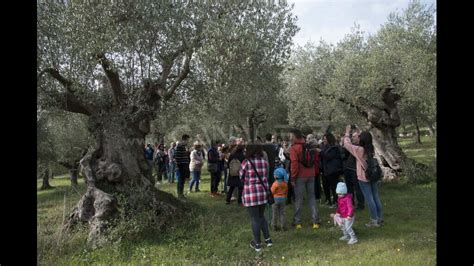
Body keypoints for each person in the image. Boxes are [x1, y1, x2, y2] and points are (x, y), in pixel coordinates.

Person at [342, 125, 384, 227]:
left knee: (369, 199)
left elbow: (346, 144)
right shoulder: (370, 148)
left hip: (364, 177)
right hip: (373, 175)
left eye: (359, 136)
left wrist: (347, 133)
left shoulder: (359, 150)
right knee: (376, 197)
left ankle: (374, 221)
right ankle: (379, 218)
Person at [240, 144, 272, 252]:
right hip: (263, 192)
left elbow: (241, 176)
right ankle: (268, 240)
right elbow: (266, 175)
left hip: (251, 193)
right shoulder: (264, 161)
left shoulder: (246, 162)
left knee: (254, 218)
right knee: (261, 216)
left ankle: (257, 243)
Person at [289, 129, 321, 230]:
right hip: (311, 174)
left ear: (294, 137)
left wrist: (293, 177)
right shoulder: (309, 146)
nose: (289, 138)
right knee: (312, 197)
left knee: (299, 199)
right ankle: (315, 221)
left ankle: (297, 222)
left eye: (291, 136)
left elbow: (294, 164)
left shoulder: (294, 148)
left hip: (300, 176)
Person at [342, 127, 365, 210]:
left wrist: (347, 133)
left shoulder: (360, 147)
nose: (352, 138)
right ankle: (351, 204)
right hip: (348, 169)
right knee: (349, 188)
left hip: (355, 170)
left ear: (359, 137)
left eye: (354, 136)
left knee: (358, 188)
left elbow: (347, 144)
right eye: (352, 136)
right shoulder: (354, 146)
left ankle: (360, 205)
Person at [320, 133, 344, 208]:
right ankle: (329, 200)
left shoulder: (334, 147)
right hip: (326, 170)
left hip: (333, 170)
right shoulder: (324, 147)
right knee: (326, 186)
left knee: (334, 187)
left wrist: (320, 152)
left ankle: (336, 202)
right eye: (323, 138)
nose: (324, 140)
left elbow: (328, 156)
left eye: (325, 138)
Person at [175, 135, 191, 199]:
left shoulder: (183, 147)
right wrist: (179, 166)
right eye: (188, 140)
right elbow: (177, 157)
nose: (188, 141)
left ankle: (181, 194)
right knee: (180, 181)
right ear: (185, 139)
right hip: (181, 166)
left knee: (182, 181)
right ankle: (179, 194)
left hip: (184, 166)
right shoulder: (180, 146)